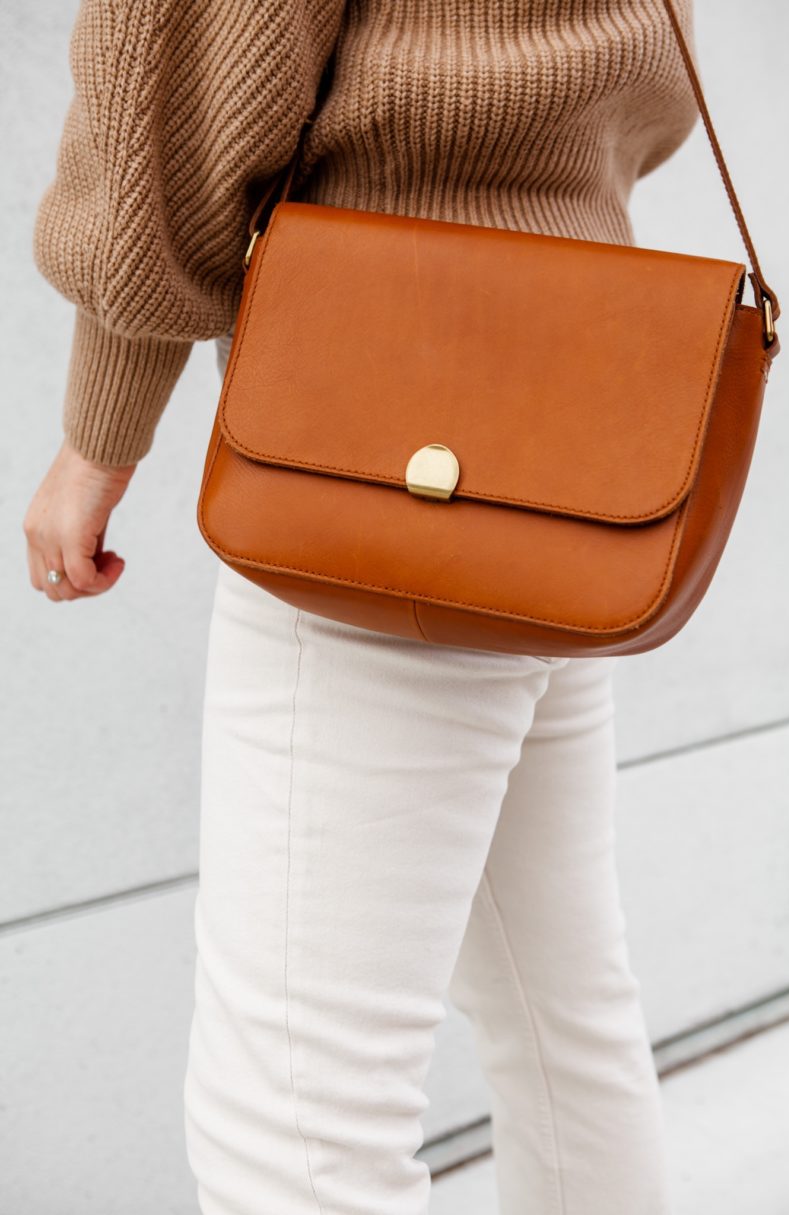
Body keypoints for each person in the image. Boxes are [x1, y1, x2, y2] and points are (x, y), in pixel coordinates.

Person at [23, 2, 702, 1211]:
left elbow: (175, 91)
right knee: (562, 1027)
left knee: (292, 1136)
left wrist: (100, 431)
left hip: (372, 461)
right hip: (565, 438)